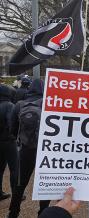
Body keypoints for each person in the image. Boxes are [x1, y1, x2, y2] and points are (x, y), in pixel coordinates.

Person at [7, 79, 50, 218]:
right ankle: (42, 213)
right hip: (46, 150)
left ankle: (13, 213)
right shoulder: (48, 104)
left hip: (26, 150)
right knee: (45, 184)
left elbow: (12, 129)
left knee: (20, 184)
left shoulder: (19, 105)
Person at [0, 84, 18, 201]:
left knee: (0, 168)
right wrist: (14, 136)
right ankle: (16, 195)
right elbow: (12, 124)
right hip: (8, 142)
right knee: (14, 169)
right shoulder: (10, 106)